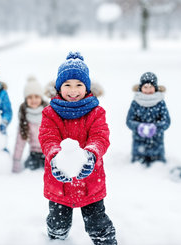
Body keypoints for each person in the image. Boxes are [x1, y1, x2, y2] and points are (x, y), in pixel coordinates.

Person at [38, 51, 117, 245]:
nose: (73, 90)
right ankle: (56, 240)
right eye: (67, 85)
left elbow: (100, 137)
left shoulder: (96, 112)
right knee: (58, 222)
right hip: (59, 182)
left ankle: (105, 241)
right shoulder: (50, 113)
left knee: (97, 223)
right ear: (59, 87)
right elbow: (48, 138)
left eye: (79, 85)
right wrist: (55, 158)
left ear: (87, 87)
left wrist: (91, 155)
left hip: (90, 179)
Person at [126, 72, 171, 166]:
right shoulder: (136, 102)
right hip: (139, 143)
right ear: (140, 88)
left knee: (158, 167)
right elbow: (129, 121)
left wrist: (155, 128)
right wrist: (139, 127)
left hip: (157, 143)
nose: (148, 90)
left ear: (155, 88)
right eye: (145, 87)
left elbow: (166, 121)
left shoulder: (160, 103)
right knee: (137, 167)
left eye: (151, 87)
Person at [12, 76, 48, 173]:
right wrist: (16, 161)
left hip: (50, 153)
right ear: (26, 99)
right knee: (30, 171)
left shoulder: (49, 114)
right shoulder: (25, 117)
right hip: (34, 154)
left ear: (41, 97)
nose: (33, 100)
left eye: (36, 96)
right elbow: (20, 142)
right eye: (30, 97)